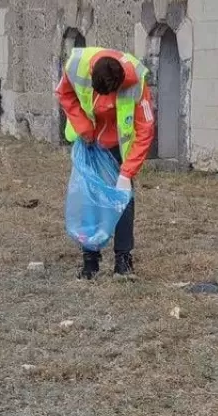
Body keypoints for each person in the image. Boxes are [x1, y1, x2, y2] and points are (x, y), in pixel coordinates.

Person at [56, 46, 155, 279]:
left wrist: (126, 173)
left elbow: (145, 130)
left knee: (123, 200)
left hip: (119, 148)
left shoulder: (137, 84)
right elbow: (65, 94)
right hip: (90, 144)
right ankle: (90, 259)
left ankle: (123, 259)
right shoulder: (77, 64)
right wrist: (83, 127)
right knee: (89, 198)